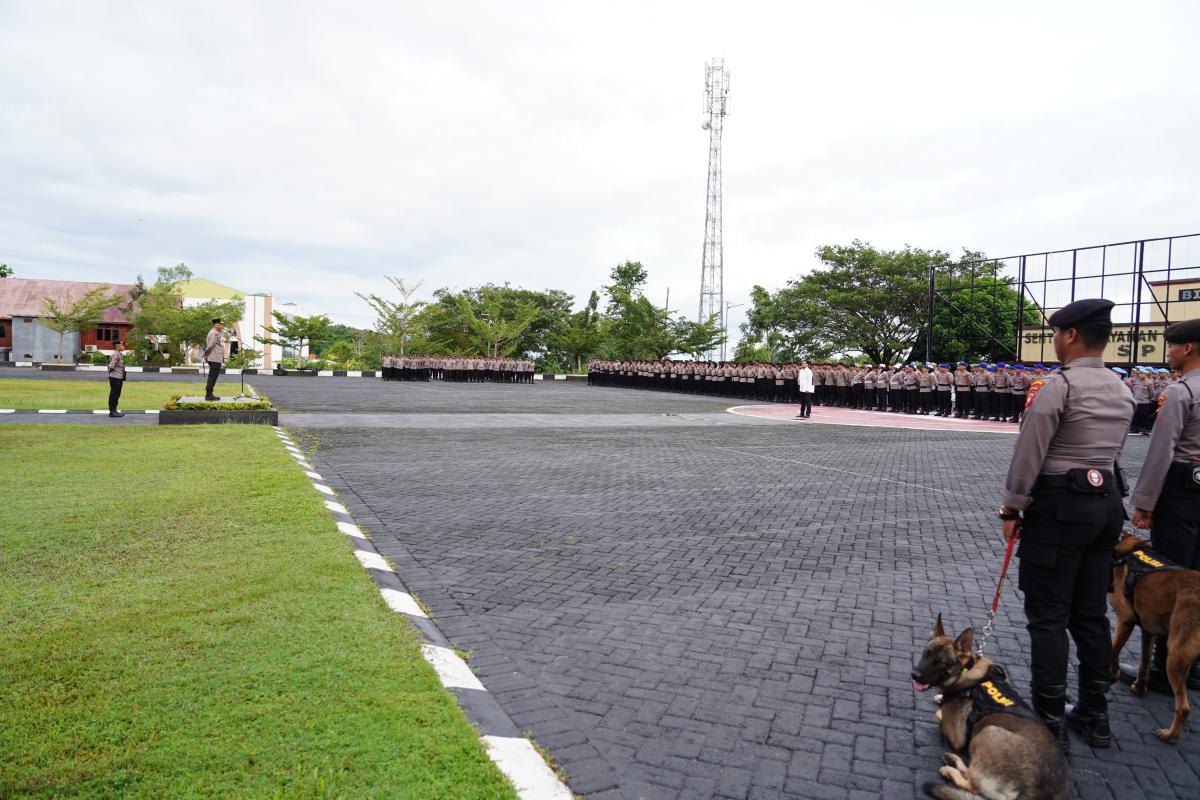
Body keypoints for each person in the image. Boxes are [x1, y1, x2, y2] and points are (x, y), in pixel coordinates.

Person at [999, 298, 1134, 753]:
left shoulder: (1058, 387)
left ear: (1071, 335)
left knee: (1049, 617)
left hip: (1059, 508)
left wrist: (1012, 508)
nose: (1055, 341)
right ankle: (1096, 715)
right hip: (1107, 505)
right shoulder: (1122, 388)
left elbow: (1029, 452)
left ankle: (1050, 718)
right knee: (1090, 614)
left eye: (1056, 334)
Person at [1124, 319, 1200, 692]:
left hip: (1182, 492)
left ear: (1188, 348)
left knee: (1169, 577)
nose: (1168, 352)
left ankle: (1159, 670)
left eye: (1172, 346)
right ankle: (1195, 665)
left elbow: (1161, 452)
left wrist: (1144, 503)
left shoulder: (1182, 392)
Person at [203, 318, 226, 401]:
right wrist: (206, 355)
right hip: (214, 358)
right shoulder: (214, 333)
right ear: (215, 324)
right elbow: (210, 345)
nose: (222, 326)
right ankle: (209, 394)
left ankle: (209, 393)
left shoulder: (216, 332)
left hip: (215, 357)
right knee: (212, 376)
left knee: (213, 376)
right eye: (220, 324)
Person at [107, 340, 126, 417]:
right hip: (115, 378)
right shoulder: (116, 355)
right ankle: (112, 411)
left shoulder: (119, 354)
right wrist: (112, 373)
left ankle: (114, 410)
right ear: (117, 346)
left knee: (117, 394)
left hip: (118, 377)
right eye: (122, 345)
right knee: (114, 394)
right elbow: (111, 366)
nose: (123, 346)